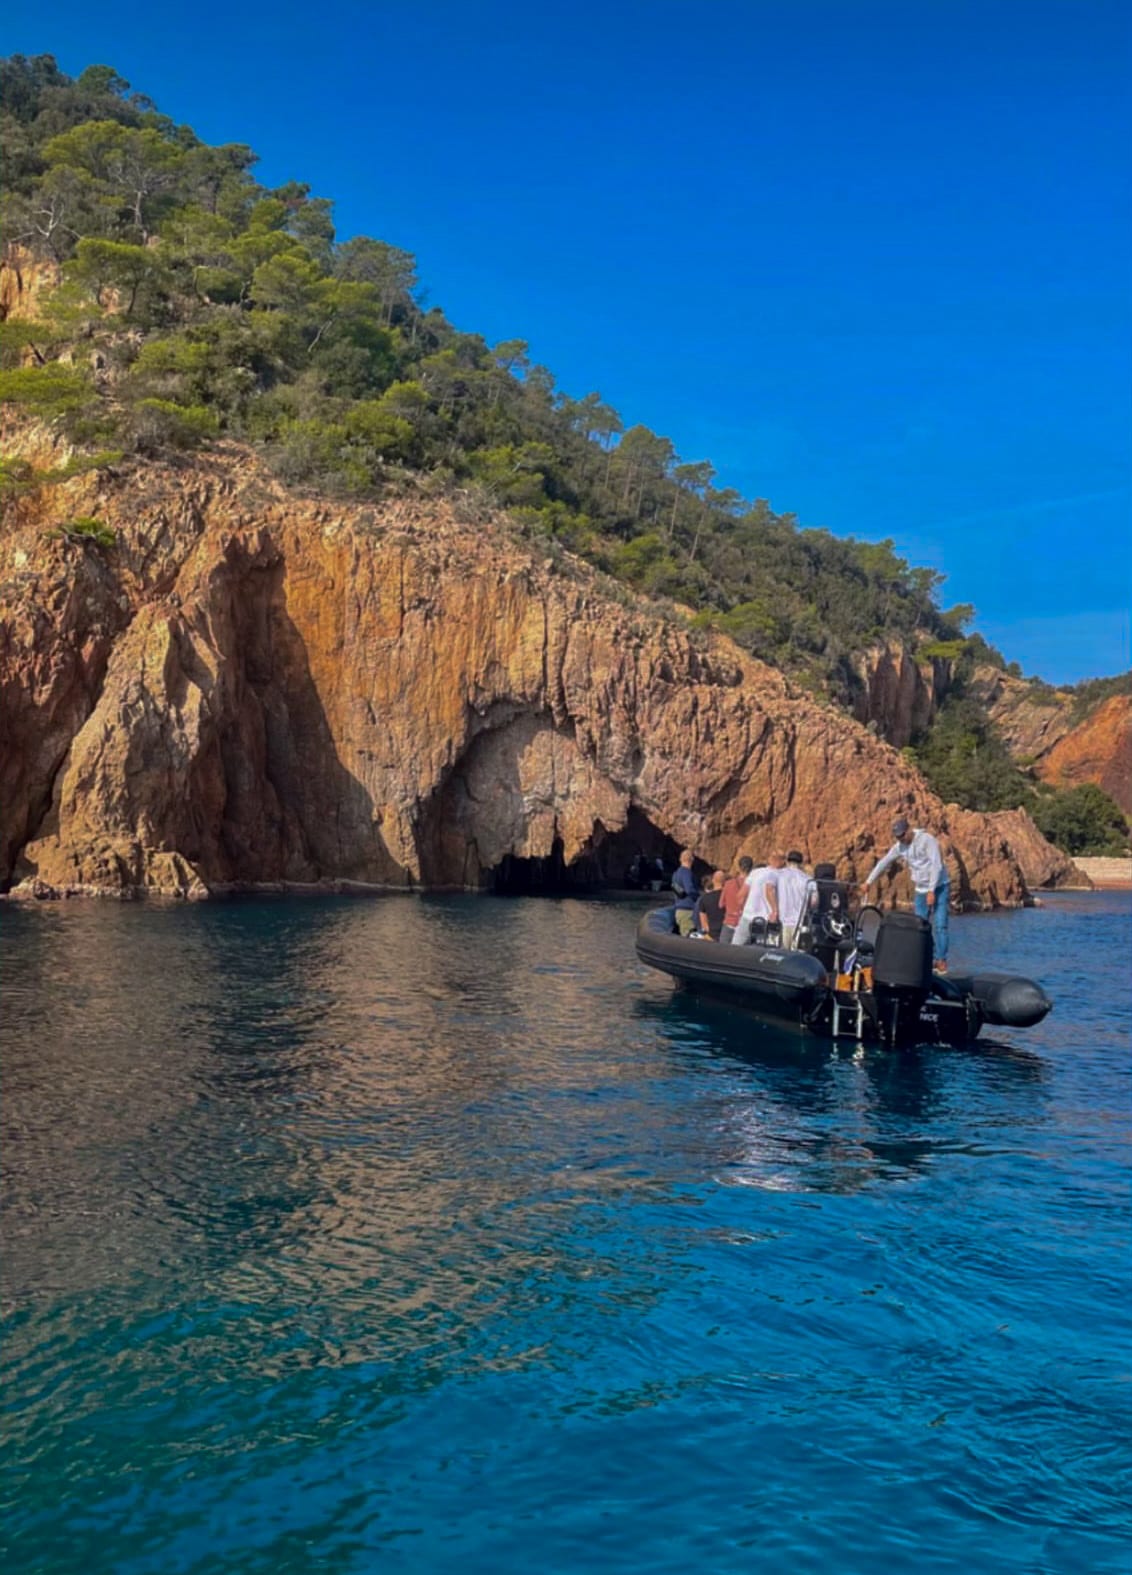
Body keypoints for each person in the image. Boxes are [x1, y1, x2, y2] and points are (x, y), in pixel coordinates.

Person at [860, 816, 951, 972]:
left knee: (940, 925)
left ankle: (941, 960)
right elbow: (884, 862)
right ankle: (928, 958)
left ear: (909, 830)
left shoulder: (927, 840)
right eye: (898, 837)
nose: (901, 839)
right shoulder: (899, 847)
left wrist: (931, 890)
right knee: (920, 926)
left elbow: (936, 865)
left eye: (902, 835)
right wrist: (868, 881)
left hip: (939, 886)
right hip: (921, 889)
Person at [732, 851, 783, 946]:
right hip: (768, 919)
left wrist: (743, 908)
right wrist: (775, 911)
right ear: (782, 861)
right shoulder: (781, 875)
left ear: (770, 859)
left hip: (748, 915)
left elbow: (741, 895)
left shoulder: (756, 872)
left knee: (735, 947)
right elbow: (770, 891)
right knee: (763, 950)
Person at [777, 850, 814, 950]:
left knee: (781, 953)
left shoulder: (779, 875)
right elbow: (814, 902)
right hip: (799, 923)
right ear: (801, 863)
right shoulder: (808, 880)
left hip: (781, 921)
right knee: (795, 954)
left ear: (787, 861)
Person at [719, 856, 753, 944]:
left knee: (723, 950)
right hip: (745, 924)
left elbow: (721, 904)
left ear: (739, 867)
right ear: (751, 868)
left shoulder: (728, 883)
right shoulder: (753, 885)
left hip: (730, 921)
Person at [672, 848, 700, 936]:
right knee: (690, 937)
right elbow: (690, 889)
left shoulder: (676, 874)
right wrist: (699, 898)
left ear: (680, 859)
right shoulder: (687, 873)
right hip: (688, 911)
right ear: (692, 860)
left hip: (679, 910)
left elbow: (677, 892)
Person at [692, 870, 727, 939]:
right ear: (724, 882)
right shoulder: (729, 897)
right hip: (726, 934)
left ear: (713, 881)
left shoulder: (704, 898)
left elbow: (702, 923)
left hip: (711, 935)